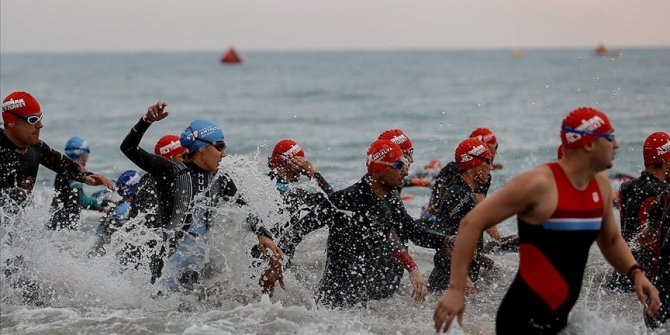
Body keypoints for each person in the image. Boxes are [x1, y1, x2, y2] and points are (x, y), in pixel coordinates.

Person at [433, 107, 661, 334]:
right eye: (609, 137)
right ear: (589, 144)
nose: (616, 145)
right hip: (521, 320)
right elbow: (471, 223)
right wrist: (455, 289)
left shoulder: (600, 184)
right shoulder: (538, 184)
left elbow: (610, 241)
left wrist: (636, 273)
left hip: (562, 320)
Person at [120, 101, 282, 291]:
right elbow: (128, 148)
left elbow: (243, 207)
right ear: (202, 147)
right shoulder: (171, 171)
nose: (223, 154)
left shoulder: (220, 178)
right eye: (220, 146)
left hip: (201, 266)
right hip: (168, 273)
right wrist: (146, 121)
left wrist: (263, 234)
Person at [309, 139, 448, 307]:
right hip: (331, 301)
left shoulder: (390, 199)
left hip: (360, 298)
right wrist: (274, 261)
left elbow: (413, 231)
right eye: (399, 165)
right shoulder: (345, 199)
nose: (405, 171)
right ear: (378, 168)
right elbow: (299, 230)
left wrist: (448, 241)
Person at [1, 91, 113, 215]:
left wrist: (86, 177)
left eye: (40, 118)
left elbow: (61, 163)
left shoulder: (37, 147)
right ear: (12, 122)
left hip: (13, 226)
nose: (40, 125)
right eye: (33, 120)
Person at [259, 139, 334, 296]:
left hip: (258, 262)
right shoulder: (293, 195)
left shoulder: (261, 185)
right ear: (293, 163)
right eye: (301, 161)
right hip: (273, 266)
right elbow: (334, 203)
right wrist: (312, 173)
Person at [425, 127, 513, 251]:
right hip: (453, 243)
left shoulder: (449, 168)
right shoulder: (478, 177)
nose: (495, 153)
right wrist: (498, 239)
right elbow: (481, 211)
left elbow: (432, 208)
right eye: (494, 148)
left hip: (432, 228)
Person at [425, 138, 492, 293]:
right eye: (487, 161)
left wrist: (487, 263)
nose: (491, 166)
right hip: (446, 288)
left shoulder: (465, 192)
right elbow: (443, 243)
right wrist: (466, 280)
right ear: (473, 163)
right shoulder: (458, 195)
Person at [607, 132, 669, 291]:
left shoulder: (626, 188)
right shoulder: (664, 193)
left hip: (625, 273)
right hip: (648, 281)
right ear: (666, 162)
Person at [125, 134, 187, 283]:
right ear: (171, 158)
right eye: (184, 156)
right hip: (148, 255)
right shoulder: (153, 187)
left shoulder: (150, 180)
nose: (188, 160)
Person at [48, 136, 109, 230]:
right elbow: (81, 200)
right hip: (62, 227)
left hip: (56, 222)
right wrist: (101, 204)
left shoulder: (64, 170)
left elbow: (73, 198)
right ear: (84, 154)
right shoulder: (74, 173)